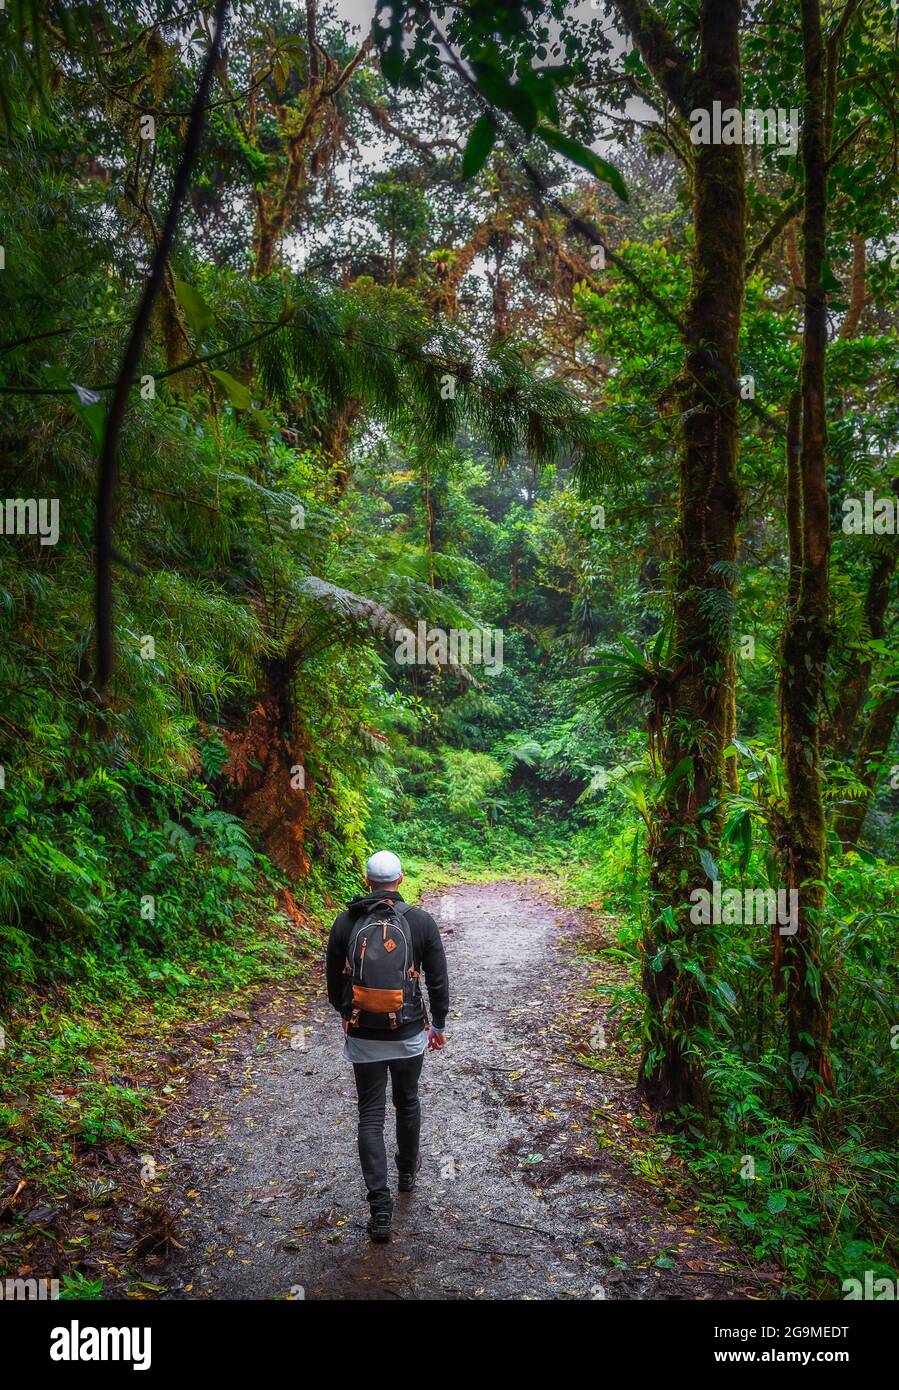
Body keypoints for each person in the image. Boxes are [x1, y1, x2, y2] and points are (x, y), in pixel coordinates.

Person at [326, 850, 449, 1242]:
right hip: (409, 1031)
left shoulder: (346, 921)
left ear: (367, 879)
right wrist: (439, 1024)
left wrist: (346, 1013)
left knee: (370, 1114)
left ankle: (380, 1209)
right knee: (408, 1100)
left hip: (364, 1034)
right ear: (401, 879)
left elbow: (333, 981)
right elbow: (438, 980)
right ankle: (407, 1174)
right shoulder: (420, 921)